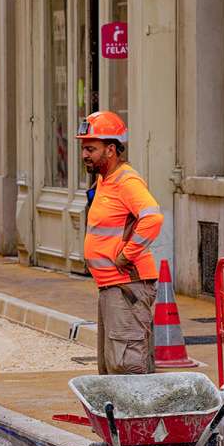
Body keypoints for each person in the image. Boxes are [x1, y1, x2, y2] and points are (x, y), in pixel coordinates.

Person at [79, 110, 164, 375]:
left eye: (91, 148)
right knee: (111, 367)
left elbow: (153, 217)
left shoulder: (126, 181)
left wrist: (127, 255)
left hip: (127, 286)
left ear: (111, 150)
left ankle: (137, 417)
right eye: (83, 148)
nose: (84, 155)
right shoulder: (105, 181)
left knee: (127, 367)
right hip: (111, 286)